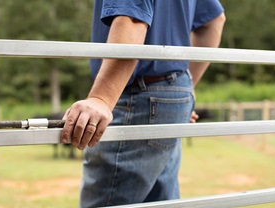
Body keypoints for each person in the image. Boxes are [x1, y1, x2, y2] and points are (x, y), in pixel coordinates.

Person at [60, 0, 225, 207]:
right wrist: (181, 91)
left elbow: (131, 19)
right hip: (170, 91)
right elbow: (214, 20)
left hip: (137, 96)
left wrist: (101, 98)